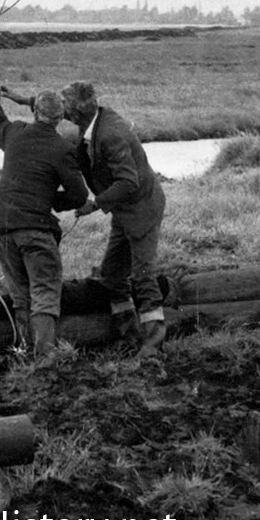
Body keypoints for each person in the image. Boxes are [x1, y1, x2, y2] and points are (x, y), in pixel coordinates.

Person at [60, 80, 168, 358]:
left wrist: (95, 203)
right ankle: (128, 332)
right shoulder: (93, 121)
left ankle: (153, 343)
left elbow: (128, 182)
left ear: (77, 112)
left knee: (143, 274)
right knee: (111, 273)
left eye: (66, 110)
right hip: (124, 210)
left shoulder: (110, 135)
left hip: (141, 209)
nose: (63, 114)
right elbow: (48, 105)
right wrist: (18, 99)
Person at [0, 86, 89, 359]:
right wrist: (52, 200)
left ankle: (23, 352)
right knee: (44, 294)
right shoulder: (63, 149)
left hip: (4, 230)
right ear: (61, 117)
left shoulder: (14, 133)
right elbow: (78, 196)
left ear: (34, 112)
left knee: (20, 295)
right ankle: (44, 360)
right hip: (36, 232)